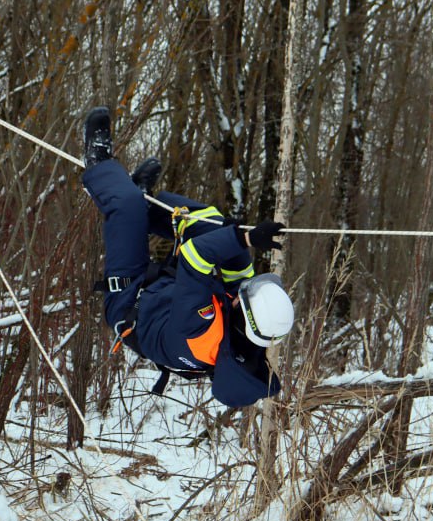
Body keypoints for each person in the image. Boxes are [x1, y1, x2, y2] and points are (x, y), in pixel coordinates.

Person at [80, 106, 294, 408]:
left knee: (125, 206)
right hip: (163, 294)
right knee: (213, 224)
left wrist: (241, 238)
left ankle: (99, 163)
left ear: (245, 316)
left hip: (128, 298)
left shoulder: (199, 331)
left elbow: (196, 256)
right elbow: (236, 271)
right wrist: (239, 236)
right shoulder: (244, 331)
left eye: (244, 298)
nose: (241, 293)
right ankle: (145, 201)